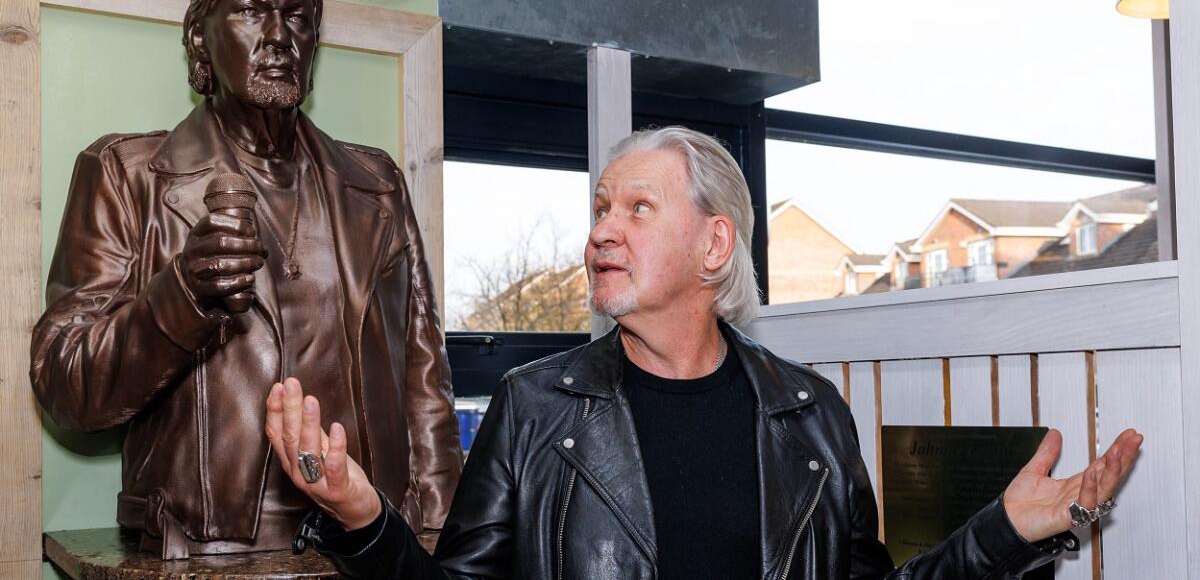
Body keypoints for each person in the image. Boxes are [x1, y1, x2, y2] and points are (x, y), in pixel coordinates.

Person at [269, 126, 1143, 579]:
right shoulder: (534, 408)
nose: (600, 231)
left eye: (636, 209)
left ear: (714, 245)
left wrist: (1004, 535)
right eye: (600, 209)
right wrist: (362, 518)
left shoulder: (810, 416)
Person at [30, 0, 460, 559]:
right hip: (207, 545)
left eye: (298, 18)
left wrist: (439, 538)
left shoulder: (377, 184)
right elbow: (66, 385)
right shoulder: (126, 175)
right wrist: (179, 297)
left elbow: (425, 375)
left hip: (369, 542)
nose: (279, 38)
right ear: (200, 37)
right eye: (253, 12)